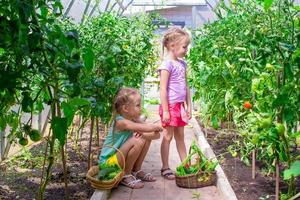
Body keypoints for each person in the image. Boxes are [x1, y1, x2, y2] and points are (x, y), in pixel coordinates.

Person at [99, 87, 163, 189]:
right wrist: (155, 127)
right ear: (125, 109)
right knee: (137, 140)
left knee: (143, 138)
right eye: (137, 105)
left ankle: (136, 170)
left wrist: (147, 133)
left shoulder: (133, 119)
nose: (141, 108)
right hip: (108, 165)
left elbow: (155, 135)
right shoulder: (121, 122)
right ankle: (126, 175)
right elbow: (147, 128)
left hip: (119, 159)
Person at [158, 27, 192, 180]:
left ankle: (186, 165)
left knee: (180, 136)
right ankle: (165, 167)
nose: (186, 50)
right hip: (170, 107)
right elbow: (163, 89)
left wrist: (188, 105)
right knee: (167, 136)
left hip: (179, 106)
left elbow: (186, 86)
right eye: (184, 47)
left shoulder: (183, 64)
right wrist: (165, 111)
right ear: (172, 46)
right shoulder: (167, 65)